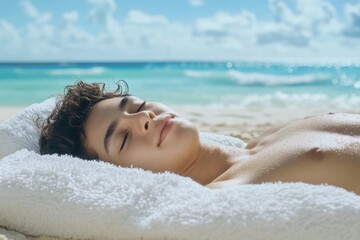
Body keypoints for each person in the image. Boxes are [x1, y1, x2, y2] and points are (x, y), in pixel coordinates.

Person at [40, 81, 360, 195]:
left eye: (137, 106)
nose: (143, 119)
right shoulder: (230, 194)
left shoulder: (265, 140)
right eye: (122, 139)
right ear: (120, 175)